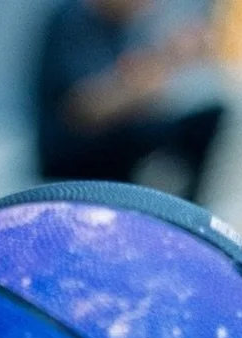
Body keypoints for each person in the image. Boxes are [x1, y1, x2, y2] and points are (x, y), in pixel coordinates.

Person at [32, 0, 228, 205]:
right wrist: (166, 58)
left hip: (120, 143)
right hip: (77, 161)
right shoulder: (73, 22)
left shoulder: (128, 26)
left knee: (205, 122)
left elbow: (152, 98)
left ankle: (191, 216)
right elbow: (84, 112)